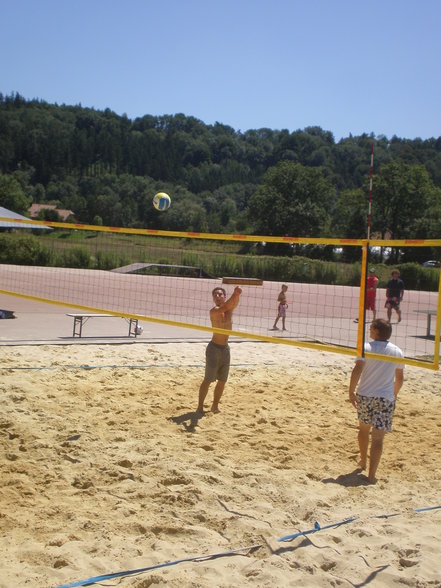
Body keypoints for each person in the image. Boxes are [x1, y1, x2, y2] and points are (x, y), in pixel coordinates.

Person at [348, 318, 404, 484]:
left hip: (365, 396)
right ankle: (371, 475)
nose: (369, 330)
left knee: (364, 430)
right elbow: (400, 379)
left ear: (377, 331)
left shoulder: (365, 348)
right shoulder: (397, 351)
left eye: (371, 328)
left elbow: (357, 369)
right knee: (378, 438)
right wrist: (392, 396)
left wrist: (351, 391)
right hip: (385, 399)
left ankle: (363, 462)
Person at [197, 285, 242, 414]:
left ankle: (214, 406)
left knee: (222, 380)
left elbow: (233, 304)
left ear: (224, 296)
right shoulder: (214, 311)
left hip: (225, 349)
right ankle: (200, 406)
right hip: (214, 349)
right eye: (215, 295)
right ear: (213, 298)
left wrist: (237, 295)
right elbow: (227, 306)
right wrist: (236, 293)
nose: (218, 296)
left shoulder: (229, 309)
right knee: (208, 379)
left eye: (220, 294)